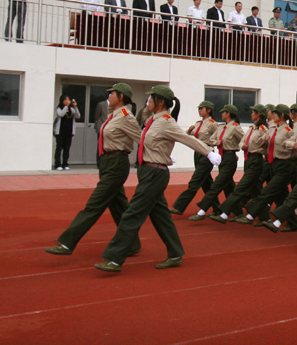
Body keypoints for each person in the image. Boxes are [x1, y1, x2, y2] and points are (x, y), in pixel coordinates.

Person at [95, 85, 221, 273]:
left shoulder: (167, 122)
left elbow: (188, 139)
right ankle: (175, 253)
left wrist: (209, 152)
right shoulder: (153, 120)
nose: (147, 102)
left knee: (132, 214)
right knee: (161, 216)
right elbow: (148, 139)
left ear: (160, 101)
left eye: (151, 99)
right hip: (148, 171)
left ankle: (114, 258)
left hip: (155, 174)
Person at [45, 84, 142, 257]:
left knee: (93, 206)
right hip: (107, 162)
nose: (109, 96)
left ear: (121, 97)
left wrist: (159, 157)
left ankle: (67, 242)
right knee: (119, 207)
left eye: (112, 93)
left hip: (117, 163)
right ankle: (132, 243)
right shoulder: (113, 114)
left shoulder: (126, 116)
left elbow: (142, 139)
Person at [210, 104, 269, 223]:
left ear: (258, 114)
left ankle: (224, 213)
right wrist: (243, 146)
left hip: (256, 160)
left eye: (253, 112)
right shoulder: (252, 128)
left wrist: (261, 140)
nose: (251, 114)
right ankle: (265, 218)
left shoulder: (263, 129)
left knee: (240, 189)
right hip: (249, 159)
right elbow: (242, 142)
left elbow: (262, 144)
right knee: (255, 191)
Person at [189, 105, 244, 220]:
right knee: (229, 187)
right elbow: (211, 139)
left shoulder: (235, 127)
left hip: (229, 157)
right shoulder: (221, 127)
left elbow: (244, 140)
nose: (222, 114)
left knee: (216, 185)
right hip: (221, 157)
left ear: (228, 114)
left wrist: (235, 148)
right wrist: (216, 142)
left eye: (223, 112)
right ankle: (238, 213)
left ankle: (202, 211)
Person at [169, 101, 218, 215]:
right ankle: (217, 208)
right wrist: (189, 131)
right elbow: (189, 137)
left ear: (208, 110)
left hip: (207, 154)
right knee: (207, 184)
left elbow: (219, 137)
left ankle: (179, 206)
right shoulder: (197, 123)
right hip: (197, 154)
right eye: (199, 108)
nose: (199, 110)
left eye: (202, 108)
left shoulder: (212, 124)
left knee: (194, 183)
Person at [53, 95, 81, 170]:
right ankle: (57, 164)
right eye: (66, 100)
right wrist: (66, 106)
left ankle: (65, 164)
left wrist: (75, 107)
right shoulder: (59, 108)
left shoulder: (71, 109)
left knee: (67, 148)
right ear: (62, 101)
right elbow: (61, 114)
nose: (68, 101)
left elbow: (78, 116)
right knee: (59, 148)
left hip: (69, 131)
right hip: (61, 131)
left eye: (68, 99)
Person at [94, 98, 110, 167]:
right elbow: (97, 117)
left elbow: (125, 115)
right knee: (100, 145)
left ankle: (107, 162)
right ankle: (99, 163)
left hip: (111, 129)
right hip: (102, 127)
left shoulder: (120, 107)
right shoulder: (101, 104)